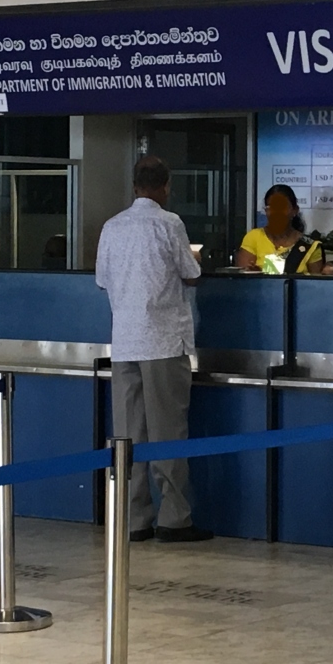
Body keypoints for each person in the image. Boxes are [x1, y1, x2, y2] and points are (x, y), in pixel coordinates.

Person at [96, 156, 211, 543]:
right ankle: (174, 519)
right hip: (162, 341)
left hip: (124, 342)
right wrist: (195, 257)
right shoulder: (169, 223)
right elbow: (191, 275)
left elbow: (102, 279)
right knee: (168, 432)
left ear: (134, 187)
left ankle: (133, 519)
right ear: (165, 187)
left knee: (128, 434)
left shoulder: (112, 226)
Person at [236, 185, 324, 274]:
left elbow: (316, 282)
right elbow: (242, 278)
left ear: (295, 210)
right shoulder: (254, 237)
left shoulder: (309, 246)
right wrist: (257, 275)